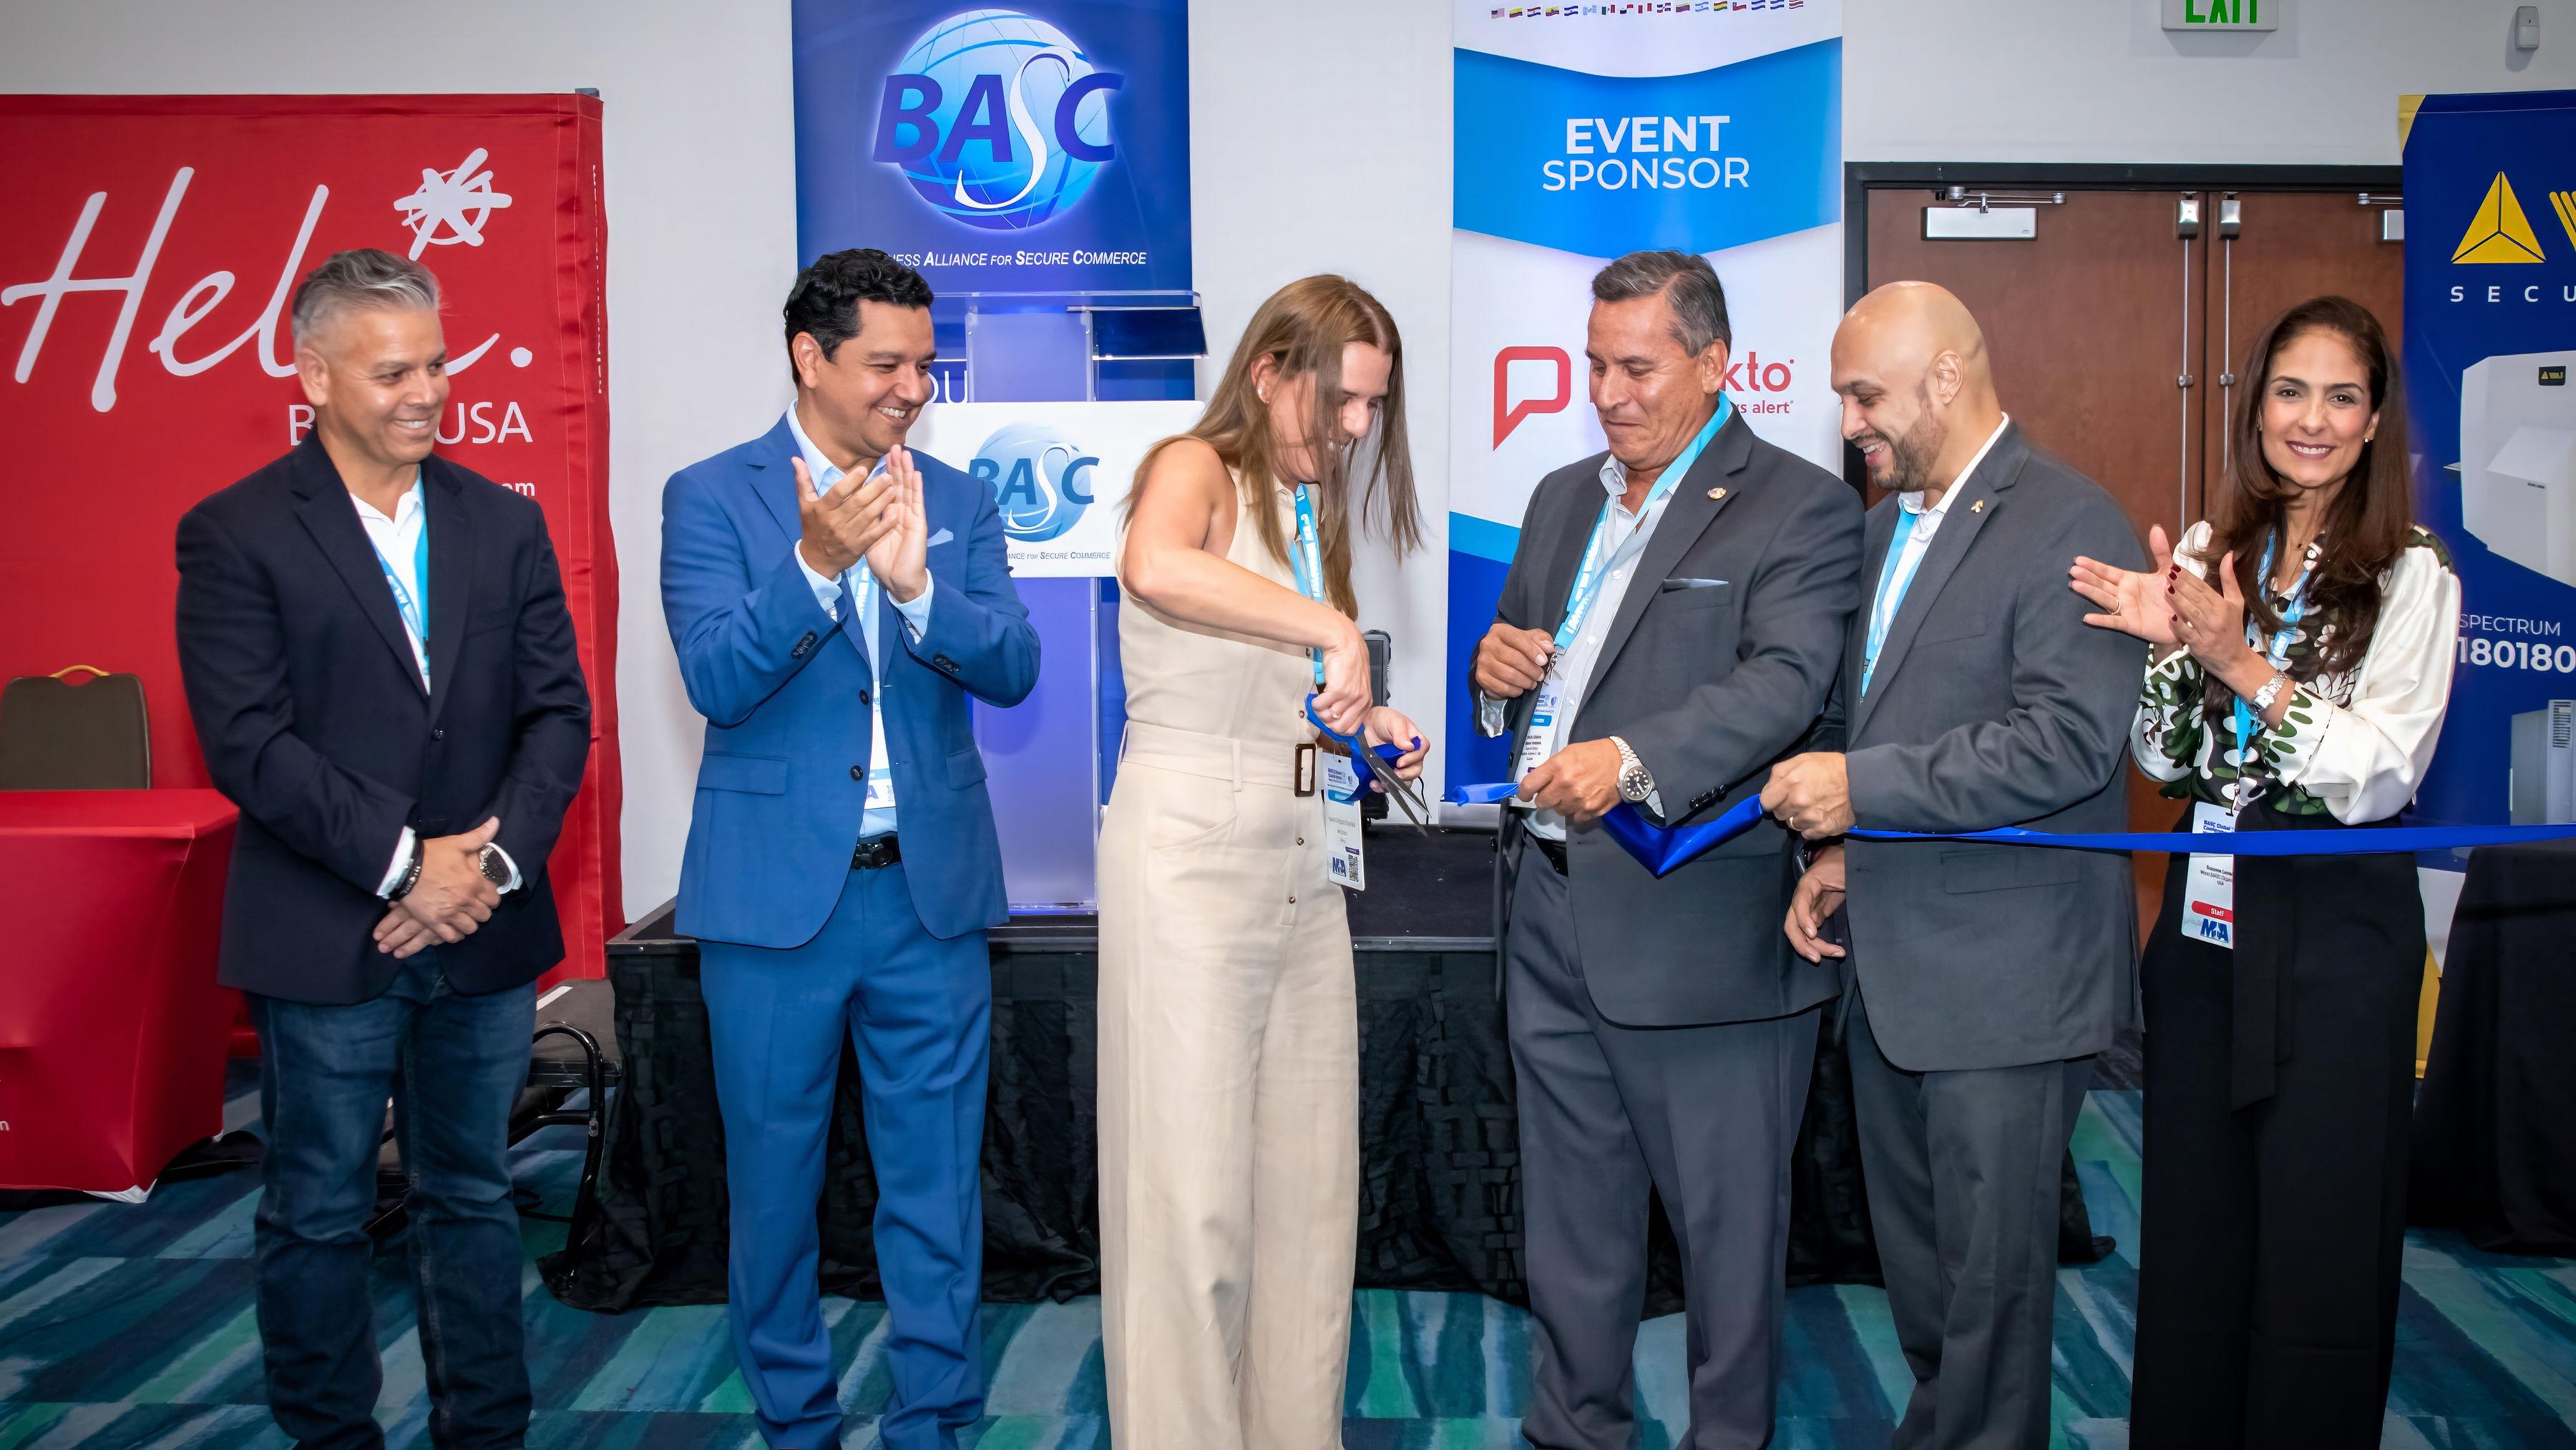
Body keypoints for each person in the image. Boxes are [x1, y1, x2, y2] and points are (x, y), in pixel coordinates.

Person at [174, 248, 592, 1450]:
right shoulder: (237, 532)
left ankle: (488, 1432)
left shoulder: (501, 523)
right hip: (331, 932)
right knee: (318, 1209)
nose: (427, 391)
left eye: (438, 363)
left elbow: (557, 714)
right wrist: (414, 866)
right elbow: (250, 745)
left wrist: (489, 867)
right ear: (311, 375)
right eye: (392, 369)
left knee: (472, 1197)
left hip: (486, 932)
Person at [1474, 250, 1861, 1449]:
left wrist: (1629, 757)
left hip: (1705, 932)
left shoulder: (1801, 505)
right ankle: (1573, 1428)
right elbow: (1529, 666)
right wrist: (1494, 678)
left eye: (1638, 366)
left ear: (1715, 363)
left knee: (1728, 1240)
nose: (1609, 392)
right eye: (1596, 364)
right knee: (1573, 1222)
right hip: (1546, 906)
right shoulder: (1557, 498)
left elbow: (1787, 683)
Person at [658, 248, 1038, 1450]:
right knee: (771, 1190)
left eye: (926, 363)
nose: (913, 388)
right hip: (774, 913)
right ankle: (795, 1421)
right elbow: (717, 674)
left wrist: (922, 594)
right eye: (886, 363)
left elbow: (1016, 667)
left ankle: (938, 1415)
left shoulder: (961, 502)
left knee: (935, 1190)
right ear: (808, 357)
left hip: (927, 901)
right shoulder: (710, 496)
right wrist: (819, 562)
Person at [2068, 296, 2459, 1448]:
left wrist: (2240, 663)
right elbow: (2168, 761)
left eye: (2343, 395)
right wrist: (2169, 656)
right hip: (2204, 930)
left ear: (2377, 416)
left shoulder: (2414, 574)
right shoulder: (2209, 551)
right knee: (2195, 1232)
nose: (2314, 419)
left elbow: (2381, 774)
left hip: (2339, 938)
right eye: (2292, 391)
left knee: (2320, 1240)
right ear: (2257, 408)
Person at [1765, 281, 2143, 1450]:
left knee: (1993, 1299)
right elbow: (1885, 714)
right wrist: (1843, 849)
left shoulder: (2071, 521)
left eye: (1864, 395)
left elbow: (2067, 743)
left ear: (1946, 377)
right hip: (1895, 967)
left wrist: (1857, 791)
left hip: (2010, 985)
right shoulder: (1882, 528)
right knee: (1927, 1284)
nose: (1848, 425)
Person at [1097, 273, 1428, 1449]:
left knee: (1305, 1198)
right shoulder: (1193, 462)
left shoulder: (1308, 511)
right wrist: (1335, 629)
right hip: (1190, 852)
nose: (1351, 429)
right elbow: (1154, 567)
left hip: (1302, 862)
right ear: (1268, 373)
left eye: (1370, 409)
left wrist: (1362, 721)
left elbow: (1274, 685)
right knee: (1188, 1206)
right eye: (1337, 400)